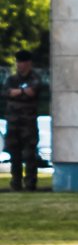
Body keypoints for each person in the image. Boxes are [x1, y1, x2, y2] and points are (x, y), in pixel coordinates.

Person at [4, 49, 41, 191]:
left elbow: (33, 92)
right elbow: (6, 92)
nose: (20, 65)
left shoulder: (35, 78)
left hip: (28, 124)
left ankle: (31, 183)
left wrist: (17, 92)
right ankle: (16, 183)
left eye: (22, 62)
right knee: (15, 155)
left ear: (28, 63)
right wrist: (23, 92)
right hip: (13, 123)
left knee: (29, 154)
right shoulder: (11, 79)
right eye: (18, 62)